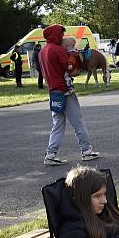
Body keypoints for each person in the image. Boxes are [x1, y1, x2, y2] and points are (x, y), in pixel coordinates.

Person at [39, 24, 100, 166]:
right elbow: (71, 70)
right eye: (60, 33)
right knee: (78, 122)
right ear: (56, 34)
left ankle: (50, 154)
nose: (62, 36)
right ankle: (86, 151)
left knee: (58, 124)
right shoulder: (58, 50)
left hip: (53, 92)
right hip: (65, 91)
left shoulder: (43, 51)